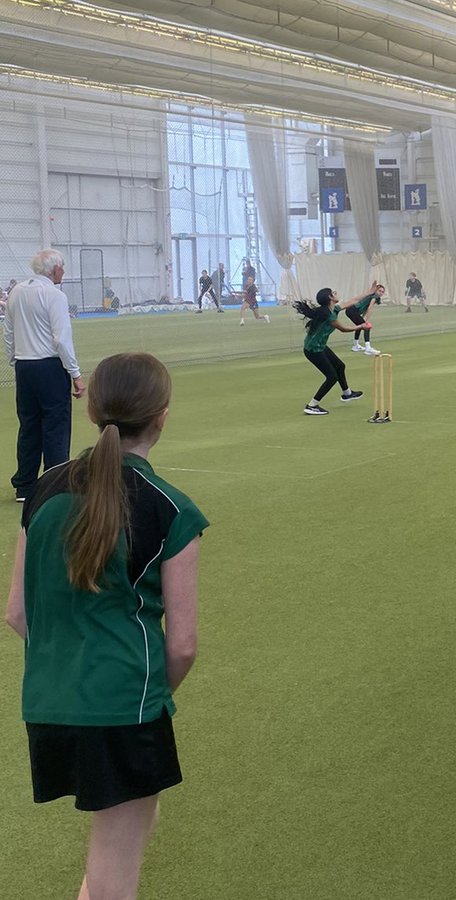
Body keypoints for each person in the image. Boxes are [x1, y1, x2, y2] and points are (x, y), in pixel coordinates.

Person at [5, 351, 207, 900]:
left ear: (92, 410)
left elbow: (17, 613)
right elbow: (183, 646)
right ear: (162, 415)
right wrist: (146, 693)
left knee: (127, 833)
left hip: (48, 702)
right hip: (123, 703)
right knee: (118, 862)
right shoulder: (171, 508)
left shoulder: (44, 490)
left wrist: (71, 663)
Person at [3, 249, 87, 502]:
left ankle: (25, 485)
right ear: (54, 269)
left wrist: (14, 359)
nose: (64, 270)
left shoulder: (16, 292)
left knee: (29, 426)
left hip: (24, 367)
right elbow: (61, 339)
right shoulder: (55, 295)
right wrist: (76, 374)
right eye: (62, 266)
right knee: (56, 425)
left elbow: (8, 332)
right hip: (50, 367)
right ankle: (55, 484)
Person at [292, 283, 378, 415]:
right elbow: (343, 329)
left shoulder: (333, 309)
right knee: (331, 377)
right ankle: (312, 405)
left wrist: (369, 292)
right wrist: (361, 326)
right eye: (333, 292)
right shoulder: (329, 315)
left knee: (340, 366)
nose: (336, 293)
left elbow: (353, 300)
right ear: (330, 297)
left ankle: (347, 394)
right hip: (313, 350)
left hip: (320, 346)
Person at [346, 287, 384, 355]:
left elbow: (366, 308)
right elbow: (370, 307)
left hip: (351, 310)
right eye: (379, 291)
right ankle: (368, 349)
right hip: (352, 310)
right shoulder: (374, 296)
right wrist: (367, 321)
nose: (381, 293)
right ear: (376, 291)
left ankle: (355, 346)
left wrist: (363, 317)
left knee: (360, 326)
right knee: (366, 327)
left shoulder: (375, 297)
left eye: (382, 292)